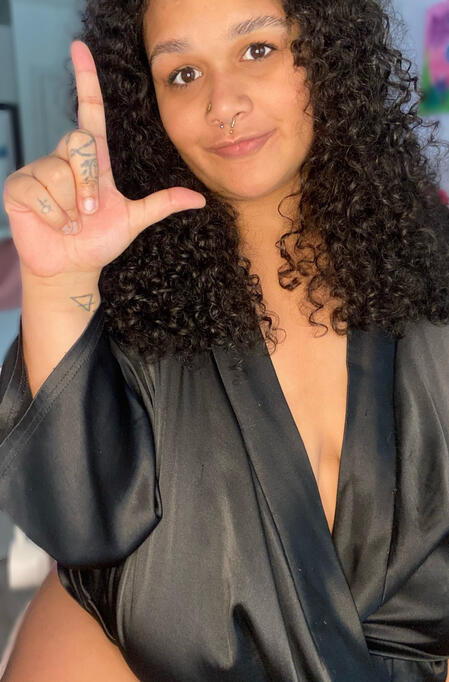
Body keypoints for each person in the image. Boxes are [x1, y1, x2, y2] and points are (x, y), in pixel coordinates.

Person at [0, 0, 449, 679]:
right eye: (182, 74)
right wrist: (58, 287)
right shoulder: (129, 314)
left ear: (328, 52)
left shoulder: (432, 279)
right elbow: (75, 525)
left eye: (257, 50)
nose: (222, 104)